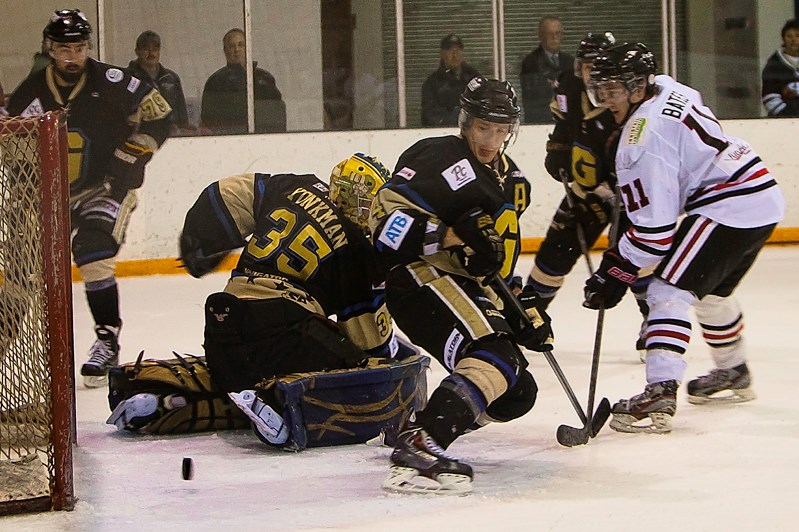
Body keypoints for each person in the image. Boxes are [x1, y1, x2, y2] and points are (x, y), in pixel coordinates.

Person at [108, 153, 426, 449]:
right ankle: (283, 406)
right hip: (284, 331)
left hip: (223, 321)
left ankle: (156, 395)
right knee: (354, 371)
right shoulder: (360, 252)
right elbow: (370, 343)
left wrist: (199, 241)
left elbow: (222, 195)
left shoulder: (292, 186)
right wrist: (389, 367)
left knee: (229, 379)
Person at [583, 42, 784, 434]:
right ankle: (733, 371)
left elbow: (655, 236)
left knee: (666, 292)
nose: (606, 100)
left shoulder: (642, 142)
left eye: (614, 90)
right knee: (711, 294)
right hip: (759, 194)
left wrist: (616, 271)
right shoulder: (671, 87)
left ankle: (660, 390)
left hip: (728, 204)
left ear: (638, 85)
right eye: (601, 89)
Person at [370, 76, 554, 494]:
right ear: (466, 122)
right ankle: (422, 445)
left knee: (516, 391)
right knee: (494, 354)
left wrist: (520, 308)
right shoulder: (435, 155)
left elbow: (496, 262)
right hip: (419, 276)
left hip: (465, 286)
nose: (491, 140)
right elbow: (384, 231)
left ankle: (420, 426)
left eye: (502, 130)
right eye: (483, 128)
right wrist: (451, 236)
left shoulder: (513, 182)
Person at [7, 9, 172, 388]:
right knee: (21, 265)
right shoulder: (30, 91)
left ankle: (107, 338)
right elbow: (13, 146)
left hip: (105, 188)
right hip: (48, 196)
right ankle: (3, 340)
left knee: (93, 248)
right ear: (50, 48)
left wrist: (131, 153)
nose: (72, 57)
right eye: (64, 49)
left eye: (79, 48)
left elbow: (160, 115)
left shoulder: (112, 81)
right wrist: (23, 192)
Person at [524, 32, 651, 360]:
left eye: (596, 66)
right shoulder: (568, 85)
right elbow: (564, 126)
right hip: (586, 192)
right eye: (583, 65)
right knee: (553, 254)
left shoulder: (628, 99)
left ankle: (654, 322)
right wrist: (558, 149)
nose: (587, 73)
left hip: (628, 196)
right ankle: (526, 317)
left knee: (634, 260)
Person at [200, 28, 286, 134]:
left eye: (241, 45)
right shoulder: (216, 81)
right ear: (225, 50)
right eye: (232, 46)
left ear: (248, 47)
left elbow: (276, 112)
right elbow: (208, 120)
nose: (237, 49)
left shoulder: (264, 78)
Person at [125, 30, 192, 134]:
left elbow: (182, 115)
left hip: (172, 136)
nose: (151, 54)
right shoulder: (128, 78)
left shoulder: (171, 78)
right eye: (146, 49)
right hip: (140, 136)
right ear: (137, 51)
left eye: (155, 49)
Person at [520, 16, 574, 124]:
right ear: (541, 35)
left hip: (566, 120)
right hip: (539, 121)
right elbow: (531, 95)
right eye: (550, 33)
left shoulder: (570, 62)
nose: (554, 37)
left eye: (557, 33)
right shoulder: (531, 62)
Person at [421, 34, 480, 127]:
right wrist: (455, 117)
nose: (455, 55)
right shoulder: (433, 83)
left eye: (458, 50)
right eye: (450, 51)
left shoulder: (474, 78)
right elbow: (430, 116)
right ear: (442, 54)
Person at [761, 19, 799, 117]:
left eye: (797, 36)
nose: (793, 40)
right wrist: (786, 116)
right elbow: (769, 96)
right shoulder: (773, 66)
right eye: (789, 36)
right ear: (784, 39)